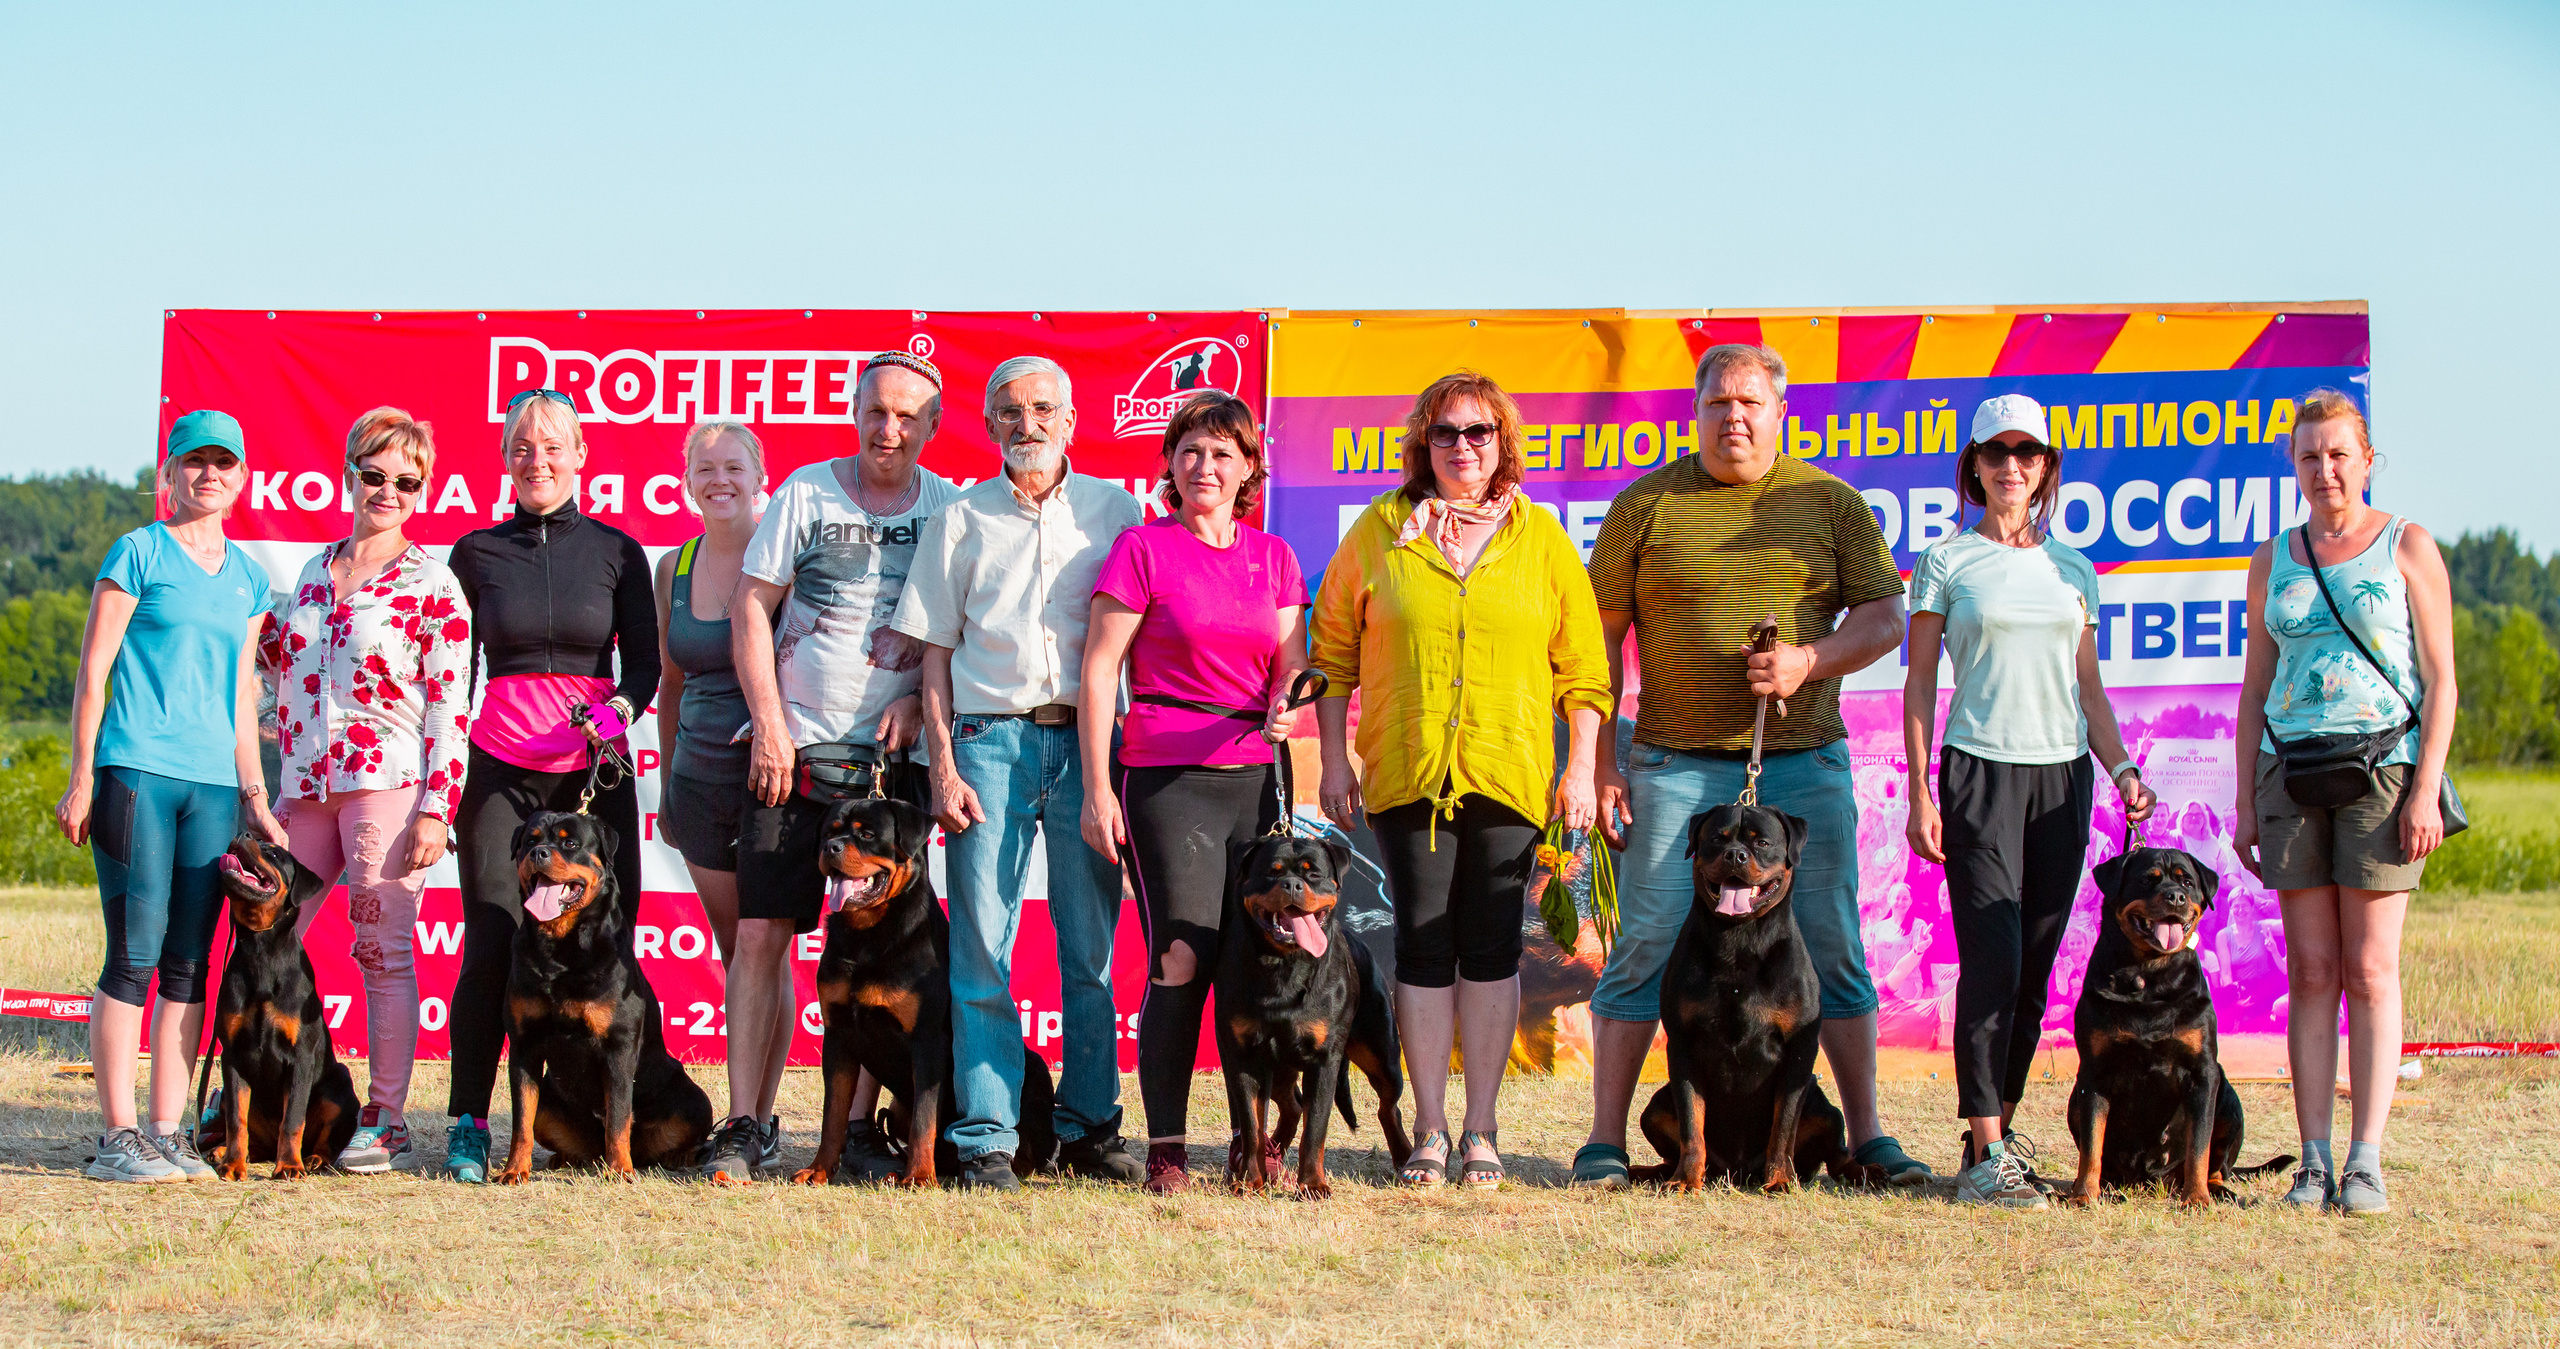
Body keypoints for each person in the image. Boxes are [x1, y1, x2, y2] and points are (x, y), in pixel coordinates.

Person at [1573, 343, 1922, 1190]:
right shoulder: (1646, 503)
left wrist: (1810, 660)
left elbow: (1886, 617)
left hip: (1801, 766)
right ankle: (1605, 1141)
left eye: (1751, 403)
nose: (1735, 417)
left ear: (1780, 411)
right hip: (1670, 767)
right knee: (1646, 945)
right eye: (1719, 403)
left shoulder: (1827, 502)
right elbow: (1597, 639)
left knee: (1834, 946)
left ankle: (1867, 1138)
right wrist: (1601, 761)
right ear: (1695, 412)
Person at [1311, 371, 1609, 1190]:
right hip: (1407, 775)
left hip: (1509, 773)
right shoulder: (1381, 530)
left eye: (1480, 432)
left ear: (1504, 441)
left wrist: (1580, 767)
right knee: (1421, 949)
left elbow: (1584, 671)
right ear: (1423, 444)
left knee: (1490, 949)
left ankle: (1482, 1128)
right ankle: (1431, 1132)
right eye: (1447, 432)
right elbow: (1331, 652)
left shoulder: (1541, 539)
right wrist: (1335, 759)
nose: (1464, 447)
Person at [891, 354, 1146, 1191]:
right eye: (1009, 411)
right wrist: (942, 766)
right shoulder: (959, 520)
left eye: (1043, 408)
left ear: (1071, 419)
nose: (1026, 423)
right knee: (981, 954)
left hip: (1088, 748)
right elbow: (932, 656)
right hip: (985, 746)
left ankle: (1090, 1125)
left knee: (1091, 951)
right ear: (991, 424)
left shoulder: (1118, 511)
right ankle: (987, 1139)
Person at [1900, 394, 2157, 1210]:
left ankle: (1996, 1139)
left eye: (2029, 452)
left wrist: (2120, 769)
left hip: (2063, 779)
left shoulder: (2073, 569)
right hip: (1977, 772)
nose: (2012, 464)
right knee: (1994, 960)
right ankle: (1984, 1148)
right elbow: (1917, 684)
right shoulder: (1945, 563)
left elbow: (2089, 687)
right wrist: (1918, 790)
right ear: (1973, 465)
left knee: (2036, 973)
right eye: (1996, 451)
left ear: (2047, 467)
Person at [716, 352, 958, 1184]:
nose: (887, 429)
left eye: (906, 416)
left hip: (897, 765)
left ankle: (855, 1135)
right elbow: (751, 605)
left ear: (931, 427)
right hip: (796, 754)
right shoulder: (805, 495)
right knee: (761, 933)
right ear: (856, 411)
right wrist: (770, 725)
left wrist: (921, 707)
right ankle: (747, 1123)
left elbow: (958, 627)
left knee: (882, 950)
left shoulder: (951, 507)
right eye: (875, 411)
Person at [2234, 388, 2456, 1217]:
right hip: (2290, 775)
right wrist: (2245, 798)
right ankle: (2313, 1161)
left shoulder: (2407, 543)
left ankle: (2365, 1160)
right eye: (2309, 455)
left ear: (2366, 459)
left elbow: (2443, 681)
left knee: (2369, 969)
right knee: (2312, 971)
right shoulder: (2275, 556)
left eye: (2338, 453)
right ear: (2292, 467)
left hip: (2384, 776)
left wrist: (2425, 786)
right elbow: (2257, 683)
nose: (2324, 469)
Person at [1079, 391, 1307, 1194]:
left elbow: (1291, 664)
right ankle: (1168, 1147)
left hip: (1255, 776)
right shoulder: (1143, 548)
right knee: (1180, 958)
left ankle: (1257, 1140)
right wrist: (1098, 788)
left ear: (1249, 468)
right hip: (1165, 779)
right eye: (1190, 452)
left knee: (1258, 963)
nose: (1204, 467)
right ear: (1170, 465)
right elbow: (1100, 668)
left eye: (1222, 454)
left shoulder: (1274, 556)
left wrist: (1290, 702)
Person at [56, 409, 283, 1182]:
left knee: (189, 962)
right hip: (136, 774)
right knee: (136, 953)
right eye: (194, 462)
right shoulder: (138, 552)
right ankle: (118, 1135)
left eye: (224, 463)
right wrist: (83, 774)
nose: (208, 475)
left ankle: (166, 1130)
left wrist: (255, 796)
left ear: (242, 477)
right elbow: (95, 673)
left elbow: (240, 699)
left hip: (213, 786)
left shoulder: (250, 578)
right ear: (170, 474)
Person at [441, 389, 660, 1183]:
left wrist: (623, 708)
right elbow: (447, 670)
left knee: (610, 950)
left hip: (594, 773)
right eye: (522, 446)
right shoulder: (473, 552)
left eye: (553, 445)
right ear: (504, 459)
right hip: (500, 771)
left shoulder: (617, 550)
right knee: (495, 941)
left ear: (581, 455)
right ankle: (469, 1123)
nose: (539, 459)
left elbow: (642, 661)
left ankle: (606, 1126)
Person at [258, 407, 471, 1174]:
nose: (388, 491)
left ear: (424, 490)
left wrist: (437, 807)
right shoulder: (315, 570)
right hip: (306, 782)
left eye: (406, 482)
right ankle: (244, 1095)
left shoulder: (433, 582)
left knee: (381, 949)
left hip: (387, 782)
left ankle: (386, 1116)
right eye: (374, 474)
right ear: (349, 472)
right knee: (267, 932)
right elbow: (275, 665)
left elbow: (451, 702)